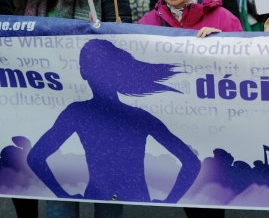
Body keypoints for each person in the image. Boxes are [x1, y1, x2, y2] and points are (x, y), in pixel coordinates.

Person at [13, 0, 131, 217]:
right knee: (59, 207)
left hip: (105, 122)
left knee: (107, 206)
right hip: (51, 115)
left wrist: (115, 37)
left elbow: (129, 61)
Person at [27, 39, 200, 205]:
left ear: (83, 72)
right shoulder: (137, 116)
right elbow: (191, 163)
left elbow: (36, 157)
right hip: (128, 196)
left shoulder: (79, 113)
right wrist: (170, 201)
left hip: (104, 195)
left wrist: (61, 194)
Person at [138, 0, 240, 218]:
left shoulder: (225, 20)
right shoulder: (146, 24)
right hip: (173, 129)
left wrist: (225, 45)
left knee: (210, 202)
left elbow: (245, 73)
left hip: (214, 128)